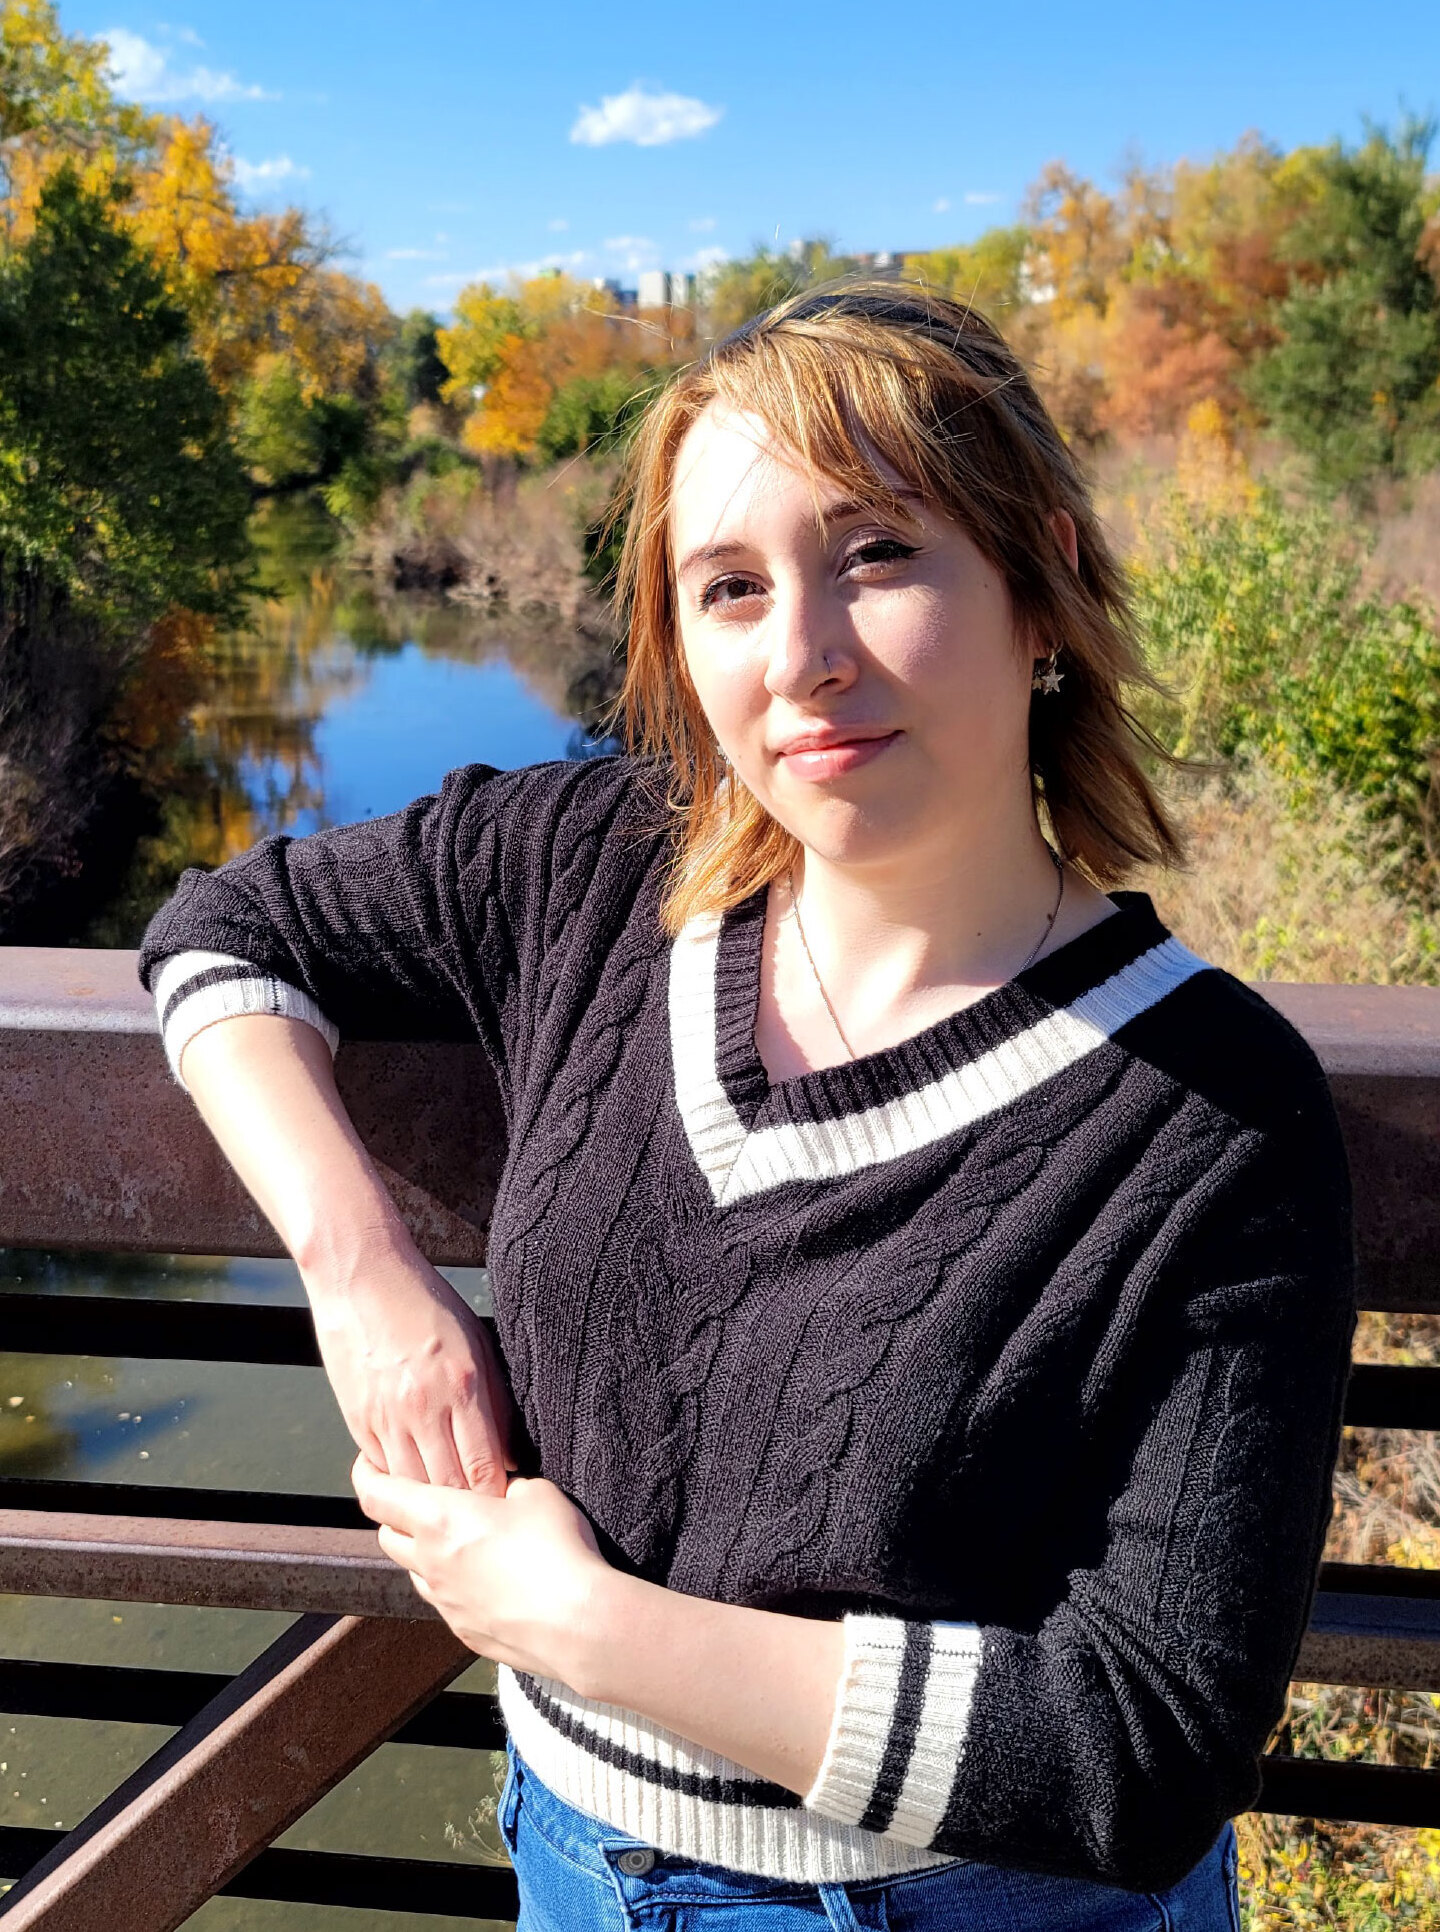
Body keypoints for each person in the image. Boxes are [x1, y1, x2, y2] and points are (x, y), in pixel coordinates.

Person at [138, 283, 1356, 1931]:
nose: (802, 659)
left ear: (1044, 587)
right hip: (574, 1854)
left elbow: (1139, 1751)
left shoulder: (1207, 1114)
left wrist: (583, 1628)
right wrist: (361, 1273)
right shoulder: (589, 865)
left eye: (878, 556)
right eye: (730, 587)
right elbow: (226, 931)